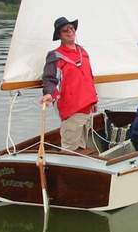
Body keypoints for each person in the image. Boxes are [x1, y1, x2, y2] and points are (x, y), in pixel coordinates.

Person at [41, 16, 98, 153]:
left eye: (71, 28)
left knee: (82, 147)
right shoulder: (55, 55)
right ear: (59, 35)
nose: (70, 31)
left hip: (88, 106)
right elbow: (50, 79)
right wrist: (48, 94)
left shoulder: (82, 51)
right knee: (70, 151)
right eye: (65, 30)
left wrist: (94, 98)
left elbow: (89, 76)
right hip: (71, 109)